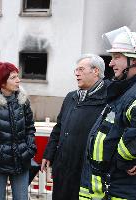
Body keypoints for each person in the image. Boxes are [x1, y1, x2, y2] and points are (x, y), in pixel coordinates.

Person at [80, 27, 136, 200]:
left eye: (117, 57)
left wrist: (124, 160)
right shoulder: (133, 86)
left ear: (135, 59)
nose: (111, 63)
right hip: (126, 189)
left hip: (134, 191)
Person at [41, 54, 108, 200]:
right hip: (63, 167)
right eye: (76, 70)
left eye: (81, 69)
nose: (77, 73)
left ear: (95, 71)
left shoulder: (109, 98)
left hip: (86, 171)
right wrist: (49, 153)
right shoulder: (71, 97)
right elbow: (59, 127)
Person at [0, 62, 37, 200]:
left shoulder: (23, 101)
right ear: (2, 82)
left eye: (18, 76)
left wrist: (29, 149)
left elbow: (30, 128)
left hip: (21, 159)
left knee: (21, 198)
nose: (18, 80)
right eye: (13, 77)